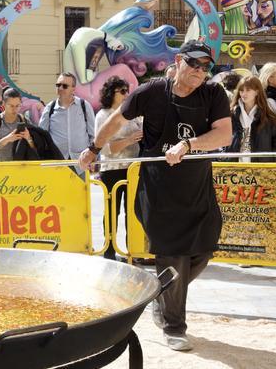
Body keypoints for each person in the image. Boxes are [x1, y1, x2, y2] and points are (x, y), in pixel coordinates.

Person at [79, 41, 232, 351]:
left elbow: (224, 133)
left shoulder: (213, 93)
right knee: (174, 255)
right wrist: (94, 149)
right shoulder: (150, 92)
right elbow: (116, 120)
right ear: (178, 61)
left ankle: (160, 295)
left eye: (206, 67)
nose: (200, 72)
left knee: (204, 250)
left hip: (198, 186)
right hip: (159, 190)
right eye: (194, 65)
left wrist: (188, 146)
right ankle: (174, 326)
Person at [94, 77, 143, 261]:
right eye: (122, 91)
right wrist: (130, 139)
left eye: (127, 90)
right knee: (112, 212)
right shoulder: (103, 115)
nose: (126, 94)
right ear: (111, 93)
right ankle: (109, 252)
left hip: (131, 169)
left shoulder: (133, 114)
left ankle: (132, 252)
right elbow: (105, 148)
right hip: (111, 169)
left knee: (132, 212)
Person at [40, 72, 95, 168]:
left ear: (73, 88)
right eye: (58, 85)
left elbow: (93, 134)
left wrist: (93, 156)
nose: (60, 88)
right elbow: (42, 136)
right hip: (57, 163)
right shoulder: (50, 108)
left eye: (64, 86)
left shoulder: (84, 106)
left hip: (81, 162)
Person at [227, 76, 276, 162]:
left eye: (248, 90)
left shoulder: (267, 115)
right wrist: (223, 157)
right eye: (241, 90)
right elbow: (221, 136)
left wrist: (272, 162)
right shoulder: (232, 114)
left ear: (257, 92)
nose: (244, 94)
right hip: (235, 167)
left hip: (260, 168)